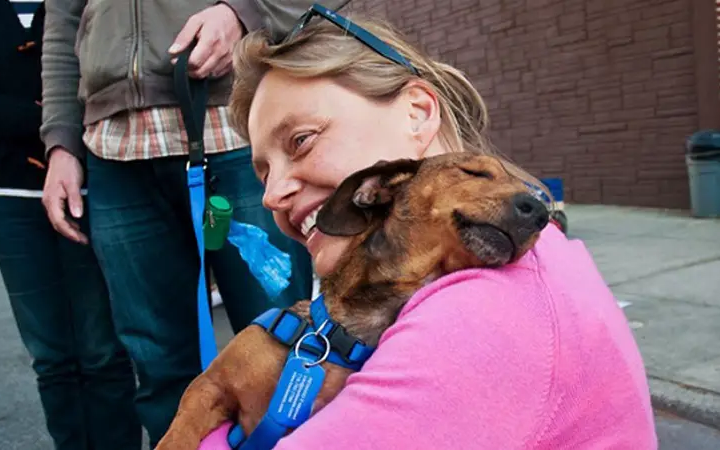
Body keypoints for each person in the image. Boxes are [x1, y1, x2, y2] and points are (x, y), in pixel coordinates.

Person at [198, 6, 658, 449]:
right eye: (263, 173)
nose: (271, 195)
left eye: (301, 141)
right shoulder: (516, 268)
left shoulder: (482, 315)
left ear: (416, 112)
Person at [39, 0, 351, 445]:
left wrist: (243, 14)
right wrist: (61, 142)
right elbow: (62, 25)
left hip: (236, 131)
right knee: (157, 365)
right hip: (114, 150)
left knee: (286, 347)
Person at [0, 1, 141, 449]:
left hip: (93, 186)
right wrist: (55, 122)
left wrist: (55, 123)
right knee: (51, 357)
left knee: (104, 351)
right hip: (11, 196)